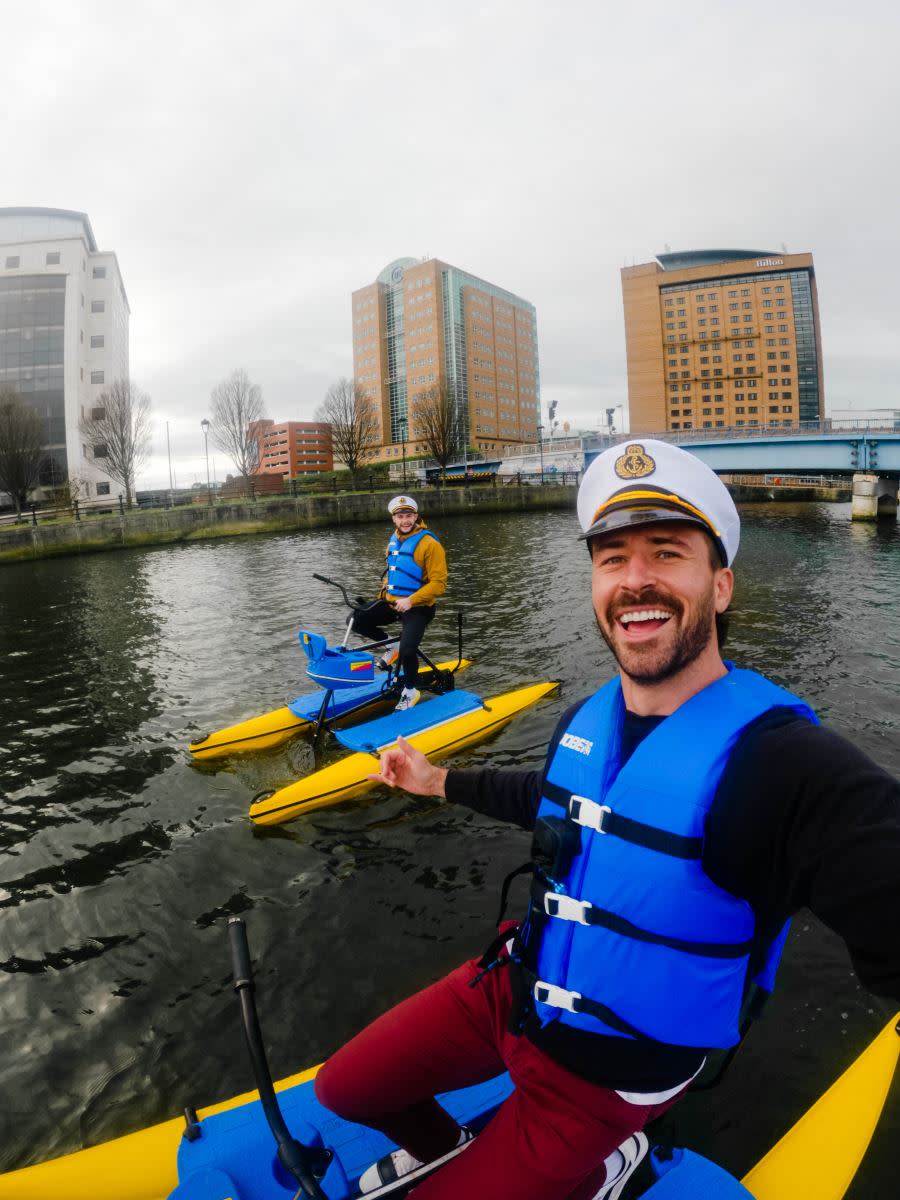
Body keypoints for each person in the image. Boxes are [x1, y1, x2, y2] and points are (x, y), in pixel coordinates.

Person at [315, 441, 900, 1200]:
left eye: (666, 552)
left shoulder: (786, 767)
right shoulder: (584, 724)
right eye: (611, 558)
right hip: (518, 992)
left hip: (615, 1071)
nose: (635, 580)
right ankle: (443, 1146)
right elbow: (552, 797)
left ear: (720, 586)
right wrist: (438, 782)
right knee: (345, 1091)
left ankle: (604, 1163)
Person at [351, 494, 448, 712]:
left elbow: (440, 584)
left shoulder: (430, 544)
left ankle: (411, 691)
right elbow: (393, 575)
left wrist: (411, 600)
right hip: (392, 603)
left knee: (408, 650)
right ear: (394, 519)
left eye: (409, 515)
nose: (405, 520)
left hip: (420, 607)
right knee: (355, 619)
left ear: (416, 516)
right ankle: (391, 645)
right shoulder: (393, 541)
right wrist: (381, 597)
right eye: (400, 516)